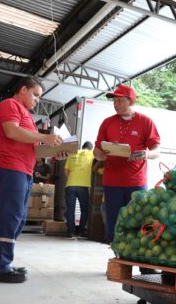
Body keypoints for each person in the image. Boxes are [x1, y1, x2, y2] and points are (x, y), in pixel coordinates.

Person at [0, 76, 61, 283]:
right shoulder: (10, 105)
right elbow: (11, 131)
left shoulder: (26, 115)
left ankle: (3, 262)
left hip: (24, 170)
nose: (38, 100)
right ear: (23, 90)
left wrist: (56, 150)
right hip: (11, 168)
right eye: (35, 94)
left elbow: (30, 144)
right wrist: (44, 137)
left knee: (17, 218)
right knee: (8, 216)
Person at [94, 84, 160, 245]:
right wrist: (100, 155)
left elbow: (156, 150)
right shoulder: (107, 122)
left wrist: (147, 154)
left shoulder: (145, 122)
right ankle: (118, 261)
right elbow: (96, 150)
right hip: (112, 182)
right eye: (114, 101)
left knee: (140, 222)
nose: (116, 104)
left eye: (120, 100)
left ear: (130, 101)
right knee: (114, 223)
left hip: (137, 183)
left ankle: (143, 266)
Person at [64, 141, 95, 239]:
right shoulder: (92, 155)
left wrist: (71, 179)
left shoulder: (73, 154)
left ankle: (70, 232)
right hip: (83, 186)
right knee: (84, 210)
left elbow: (66, 170)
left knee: (70, 210)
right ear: (90, 148)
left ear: (82, 147)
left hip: (70, 185)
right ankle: (81, 232)